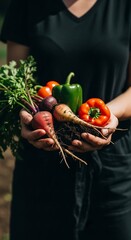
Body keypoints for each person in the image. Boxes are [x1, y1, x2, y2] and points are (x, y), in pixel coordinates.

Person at [1, 0, 131, 239]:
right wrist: (26, 117)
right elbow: (16, 82)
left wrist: (107, 116)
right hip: (41, 163)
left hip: (111, 167)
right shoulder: (26, 5)